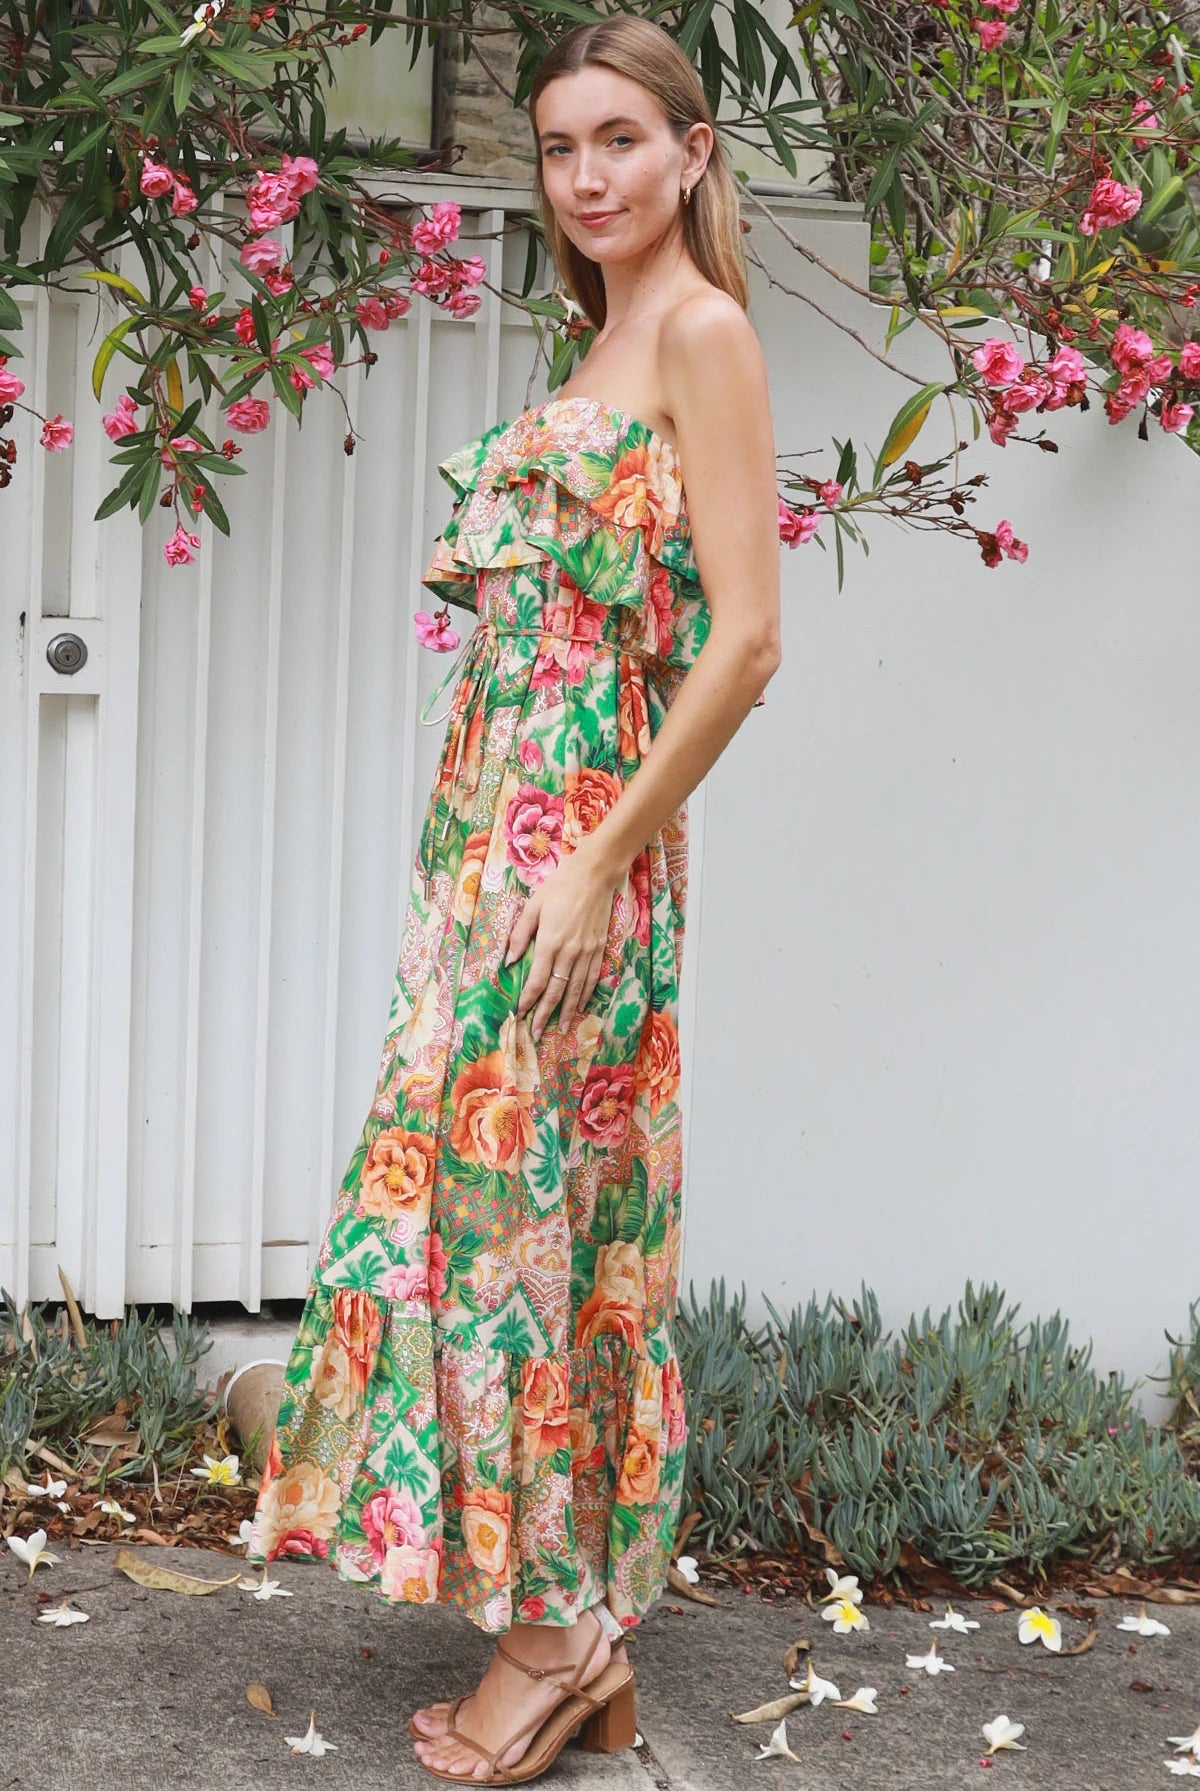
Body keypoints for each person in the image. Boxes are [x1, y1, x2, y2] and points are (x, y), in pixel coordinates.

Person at [244, 12, 781, 1785]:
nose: (587, 176)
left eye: (620, 138)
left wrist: (599, 861)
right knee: (481, 1205)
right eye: (560, 147)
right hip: (494, 846)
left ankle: (558, 1641)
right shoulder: (600, 336)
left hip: (577, 857)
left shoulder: (700, 333)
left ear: (693, 150)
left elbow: (748, 641)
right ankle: (566, 1625)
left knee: (516, 1214)